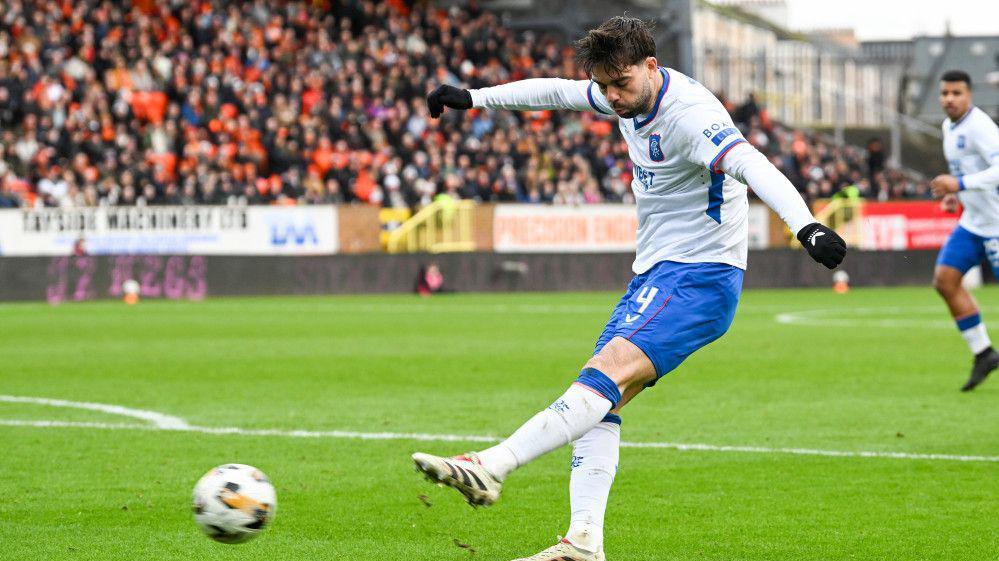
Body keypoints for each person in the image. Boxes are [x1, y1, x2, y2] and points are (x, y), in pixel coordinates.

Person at [412, 16, 846, 561]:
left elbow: (751, 165)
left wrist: (804, 224)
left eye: (621, 84)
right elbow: (554, 91)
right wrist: (474, 98)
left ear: (650, 67)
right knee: (601, 401)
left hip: (699, 275)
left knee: (599, 378)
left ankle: (491, 465)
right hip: (658, 275)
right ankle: (584, 541)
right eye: (605, 86)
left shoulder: (690, 116)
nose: (612, 98)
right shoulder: (620, 93)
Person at [929, 69, 999, 391]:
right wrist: (956, 195)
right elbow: (968, 170)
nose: (949, 99)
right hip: (973, 223)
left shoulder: (980, 126)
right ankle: (984, 353)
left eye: (956, 93)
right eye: (945, 94)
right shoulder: (948, 126)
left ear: (969, 95)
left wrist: (959, 183)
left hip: (997, 225)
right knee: (945, 281)